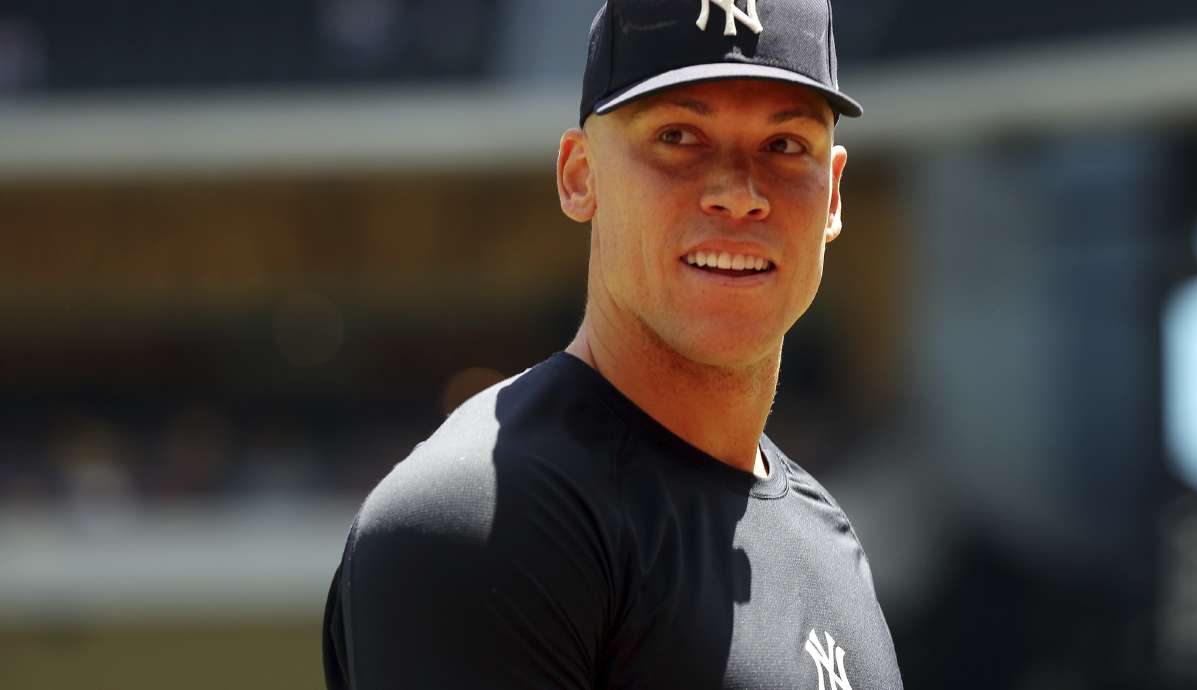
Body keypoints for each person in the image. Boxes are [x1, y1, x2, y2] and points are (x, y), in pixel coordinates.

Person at [323, 0, 903, 687]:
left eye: (784, 146)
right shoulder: (481, 517)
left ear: (832, 194)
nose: (739, 193)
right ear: (579, 175)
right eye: (680, 137)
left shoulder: (825, 540)